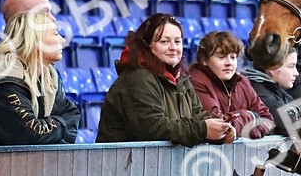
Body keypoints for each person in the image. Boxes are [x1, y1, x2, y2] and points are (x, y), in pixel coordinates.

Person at [96, 13, 231, 145]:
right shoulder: (138, 78)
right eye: (164, 41)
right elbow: (151, 128)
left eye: (177, 41)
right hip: (123, 164)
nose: (173, 48)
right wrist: (203, 130)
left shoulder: (182, 79)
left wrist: (221, 131)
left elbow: (198, 115)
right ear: (148, 46)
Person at [0, 0, 80, 146]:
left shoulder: (49, 73)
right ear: (29, 26)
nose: (53, 18)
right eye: (45, 12)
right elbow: (29, 136)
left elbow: (73, 115)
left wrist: (50, 129)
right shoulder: (1, 73)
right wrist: (61, 125)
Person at [189, 30, 274, 139]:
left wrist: (243, 130)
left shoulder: (242, 82)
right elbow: (220, 126)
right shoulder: (196, 81)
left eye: (233, 57)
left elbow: (267, 120)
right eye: (221, 57)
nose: (229, 63)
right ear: (204, 60)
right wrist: (251, 116)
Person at [243, 46, 301, 136]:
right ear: (272, 68)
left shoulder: (280, 93)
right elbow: (292, 125)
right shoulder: (256, 92)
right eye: (291, 66)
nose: (296, 73)